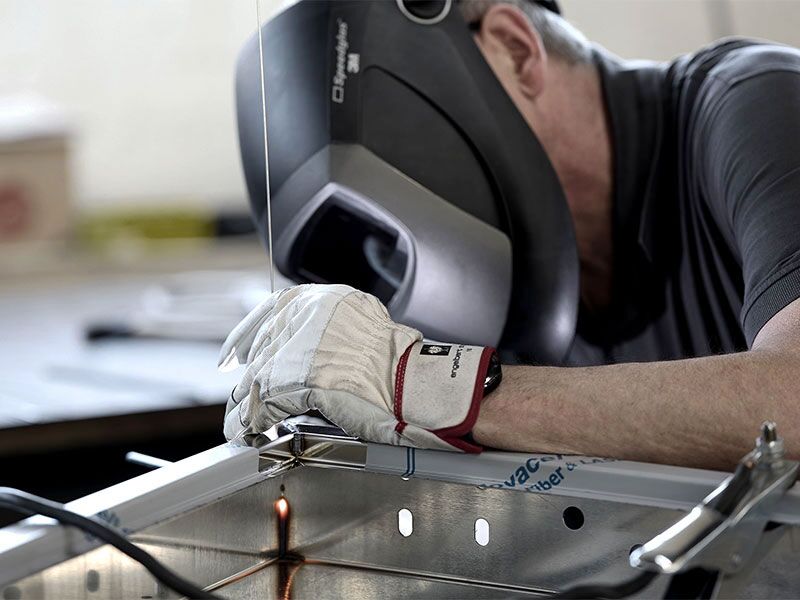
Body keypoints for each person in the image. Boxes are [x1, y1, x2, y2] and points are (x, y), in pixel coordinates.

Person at [221, 0, 800, 470]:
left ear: (517, 52)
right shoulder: (515, 281)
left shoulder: (757, 105)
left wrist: (429, 385)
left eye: (423, 157)